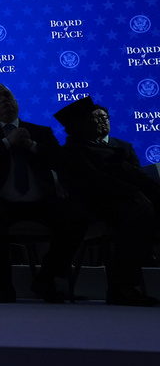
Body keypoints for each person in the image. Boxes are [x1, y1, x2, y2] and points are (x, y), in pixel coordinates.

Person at [0, 84, 83, 303]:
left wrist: (31, 145)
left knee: (76, 216)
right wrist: (7, 142)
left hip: (40, 203)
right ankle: (3, 287)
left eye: (8, 96)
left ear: (17, 103)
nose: (4, 100)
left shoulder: (41, 132)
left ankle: (45, 279)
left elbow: (61, 162)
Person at [54, 96, 159, 306]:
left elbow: (137, 176)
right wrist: (133, 193)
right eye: (93, 118)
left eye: (104, 118)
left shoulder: (111, 150)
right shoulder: (71, 152)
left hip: (123, 203)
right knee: (137, 214)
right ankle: (122, 288)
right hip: (95, 209)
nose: (101, 122)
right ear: (79, 125)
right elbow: (96, 180)